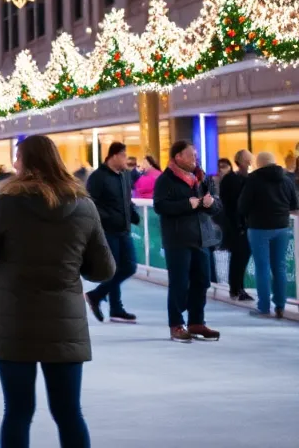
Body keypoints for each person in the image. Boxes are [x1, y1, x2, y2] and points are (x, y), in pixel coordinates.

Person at [0, 134, 114, 448]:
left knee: (17, 412)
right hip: (65, 324)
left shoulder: (8, 204)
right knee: (69, 412)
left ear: (27, 162)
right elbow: (104, 270)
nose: (14, 165)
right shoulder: (83, 206)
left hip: (15, 323)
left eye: (18, 158)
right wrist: (73, 262)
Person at [153, 140, 222, 343]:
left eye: (196, 155)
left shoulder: (203, 178)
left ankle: (196, 322)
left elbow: (217, 205)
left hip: (202, 237)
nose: (195, 158)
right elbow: (160, 206)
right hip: (178, 239)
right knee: (179, 283)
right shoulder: (166, 180)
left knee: (202, 281)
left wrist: (212, 203)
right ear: (178, 157)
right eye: (191, 155)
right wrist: (185, 204)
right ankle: (176, 324)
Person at [84, 142, 140, 323]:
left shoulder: (124, 176)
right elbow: (92, 203)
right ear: (114, 156)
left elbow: (127, 200)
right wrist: (109, 218)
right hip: (107, 230)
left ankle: (99, 297)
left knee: (129, 266)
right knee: (114, 269)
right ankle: (114, 306)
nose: (126, 160)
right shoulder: (97, 177)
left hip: (124, 229)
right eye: (124, 155)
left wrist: (133, 215)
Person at [239, 151, 299, 320]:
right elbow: (294, 204)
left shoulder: (253, 180)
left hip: (259, 228)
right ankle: (280, 306)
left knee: (262, 267)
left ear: (259, 163)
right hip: (282, 227)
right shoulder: (286, 180)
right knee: (279, 267)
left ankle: (264, 307)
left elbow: (242, 206)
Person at [219, 150, 253, 302]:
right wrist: (237, 225)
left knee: (240, 256)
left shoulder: (243, 179)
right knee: (239, 256)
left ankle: (237, 287)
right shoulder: (233, 180)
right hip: (236, 224)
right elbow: (230, 205)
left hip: (240, 224)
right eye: (248, 160)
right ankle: (236, 288)